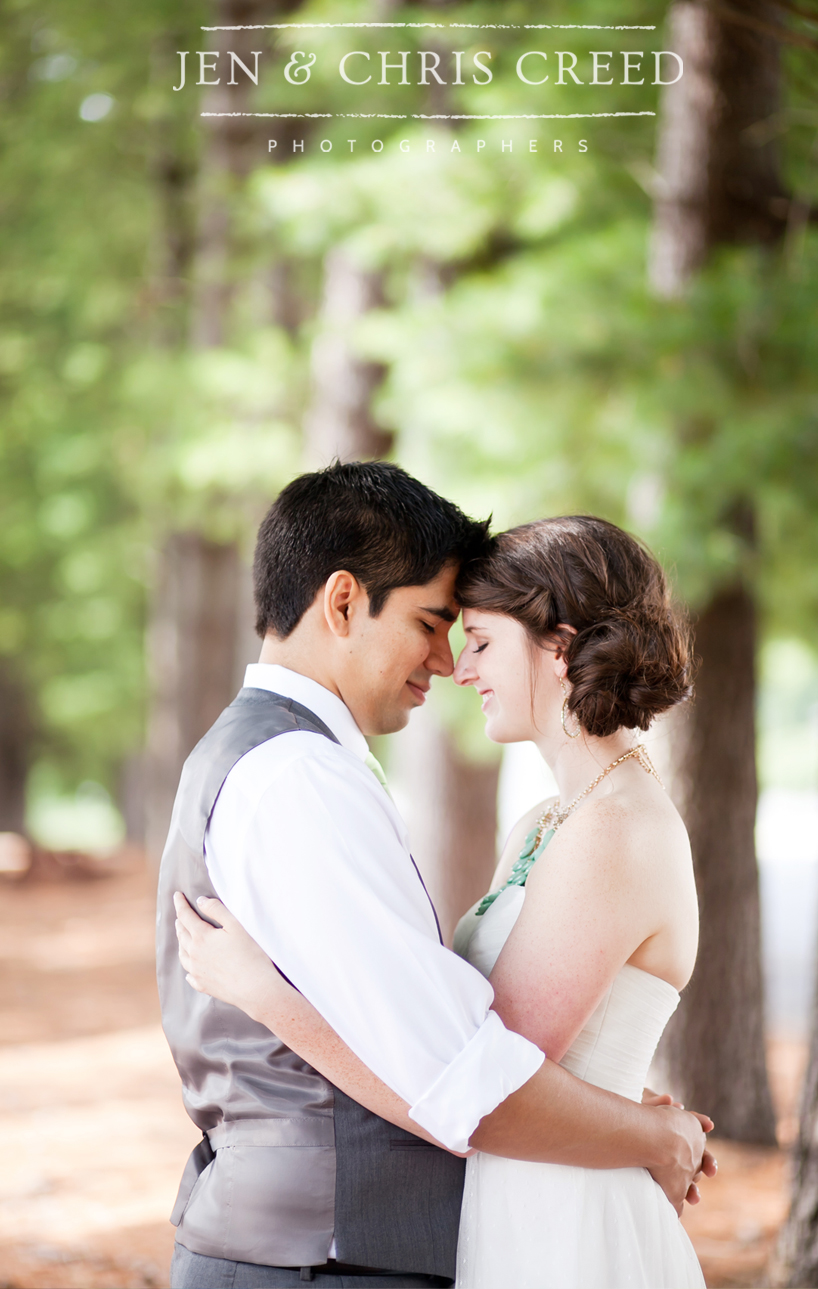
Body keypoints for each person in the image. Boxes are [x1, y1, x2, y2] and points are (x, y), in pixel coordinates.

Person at [156, 464, 711, 1288]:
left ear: (558, 646)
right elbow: (473, 1076)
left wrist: (265, 992)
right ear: (343, 603)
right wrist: (642, 1129)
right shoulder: (315, 777)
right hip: (365, 1239)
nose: (454, 663)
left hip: (554, 1216)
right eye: (438, 625)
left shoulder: (614, 827)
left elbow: (482, 1073)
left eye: (478, 639)